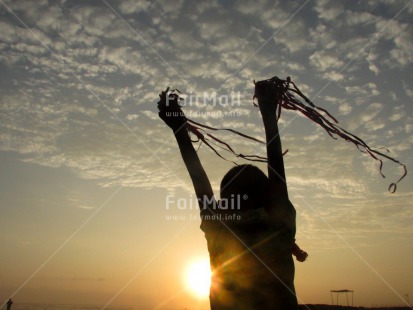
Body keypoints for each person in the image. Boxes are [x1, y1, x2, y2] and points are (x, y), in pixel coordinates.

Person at [158, 80, 304, 309]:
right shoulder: (279, 224)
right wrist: (268, 109)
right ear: (269, 198)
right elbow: (277, 173)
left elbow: (198, 178)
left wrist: (178, 126)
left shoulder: (218, 228)